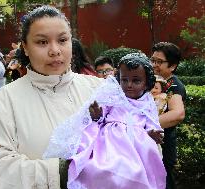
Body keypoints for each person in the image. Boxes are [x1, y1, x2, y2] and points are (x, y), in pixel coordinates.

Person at [0, 5, 103, 189]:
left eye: (63, 40)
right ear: (25, 47)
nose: (55, 50)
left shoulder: (97, 89)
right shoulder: (6, 100)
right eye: (42, 42)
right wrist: (62, 172)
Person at [44, 53, 166, 189]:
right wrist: (97, 115)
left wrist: (150, 133)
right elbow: (102, 116)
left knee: (136, 172)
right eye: (124, 80)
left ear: (146, 83)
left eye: (136, 81)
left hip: (137, 143)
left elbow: (151, 121)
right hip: (110, 141)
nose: (129, 85)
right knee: (98, 168)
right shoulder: (113, 94)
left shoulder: (147, 101)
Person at [150, 42, 186, 189]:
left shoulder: (174, 86)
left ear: (172, 66)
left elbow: (178, 114)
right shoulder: (152, 80)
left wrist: (143, 125)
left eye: (159, 62)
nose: (154, 64)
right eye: (152, 60)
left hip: (164, 145)